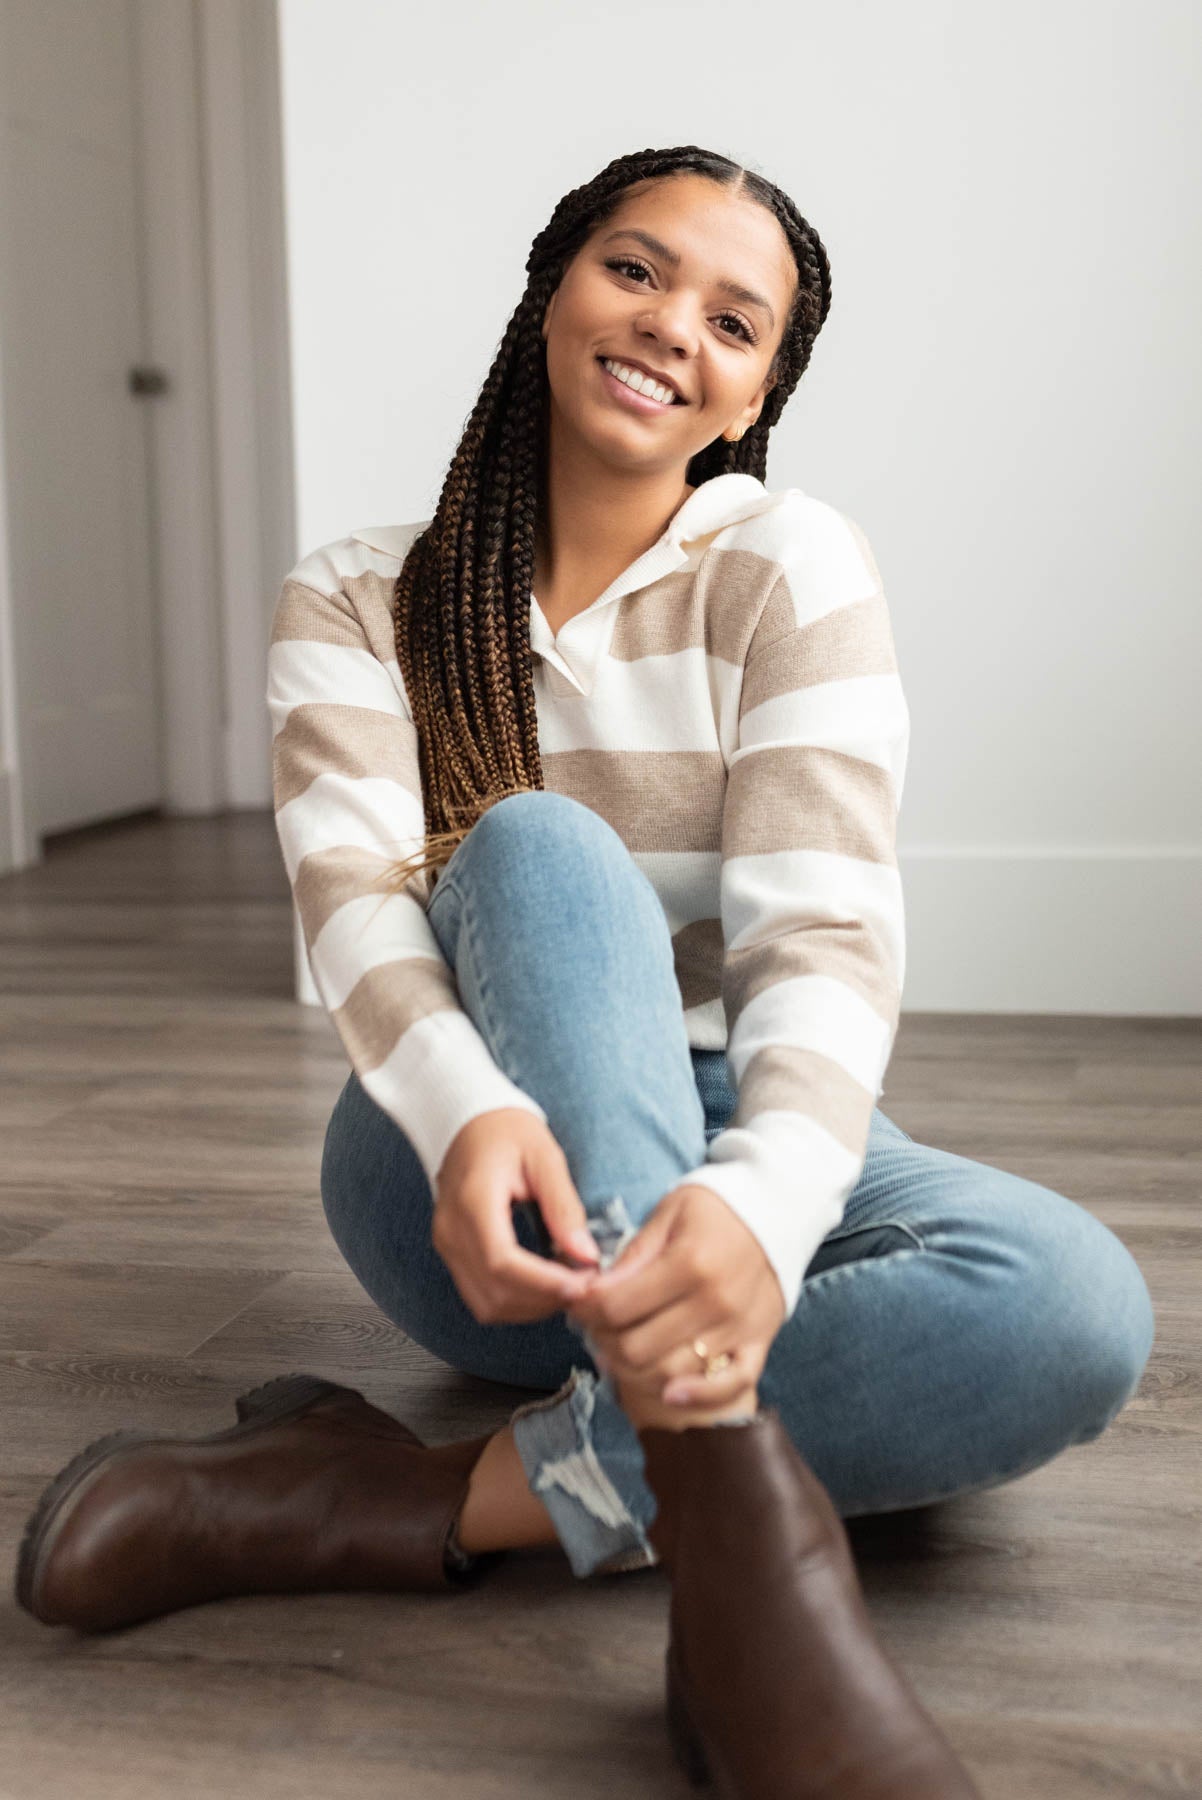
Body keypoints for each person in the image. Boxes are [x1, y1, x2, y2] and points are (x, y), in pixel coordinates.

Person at [16, 145, 1154, 1799]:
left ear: (755, 389)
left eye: (733, 318)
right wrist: (468, 1111)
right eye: (635, 269)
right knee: (540, 847)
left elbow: (817, 932)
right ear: (554, 286)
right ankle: (749, 1599)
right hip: (460, 1167)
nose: (670, 325)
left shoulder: (789, 569)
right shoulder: (354, 594)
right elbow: (355, 915)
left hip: (721, 1130)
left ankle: (395, 1499)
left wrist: (762, 1208)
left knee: (1067, 1311)